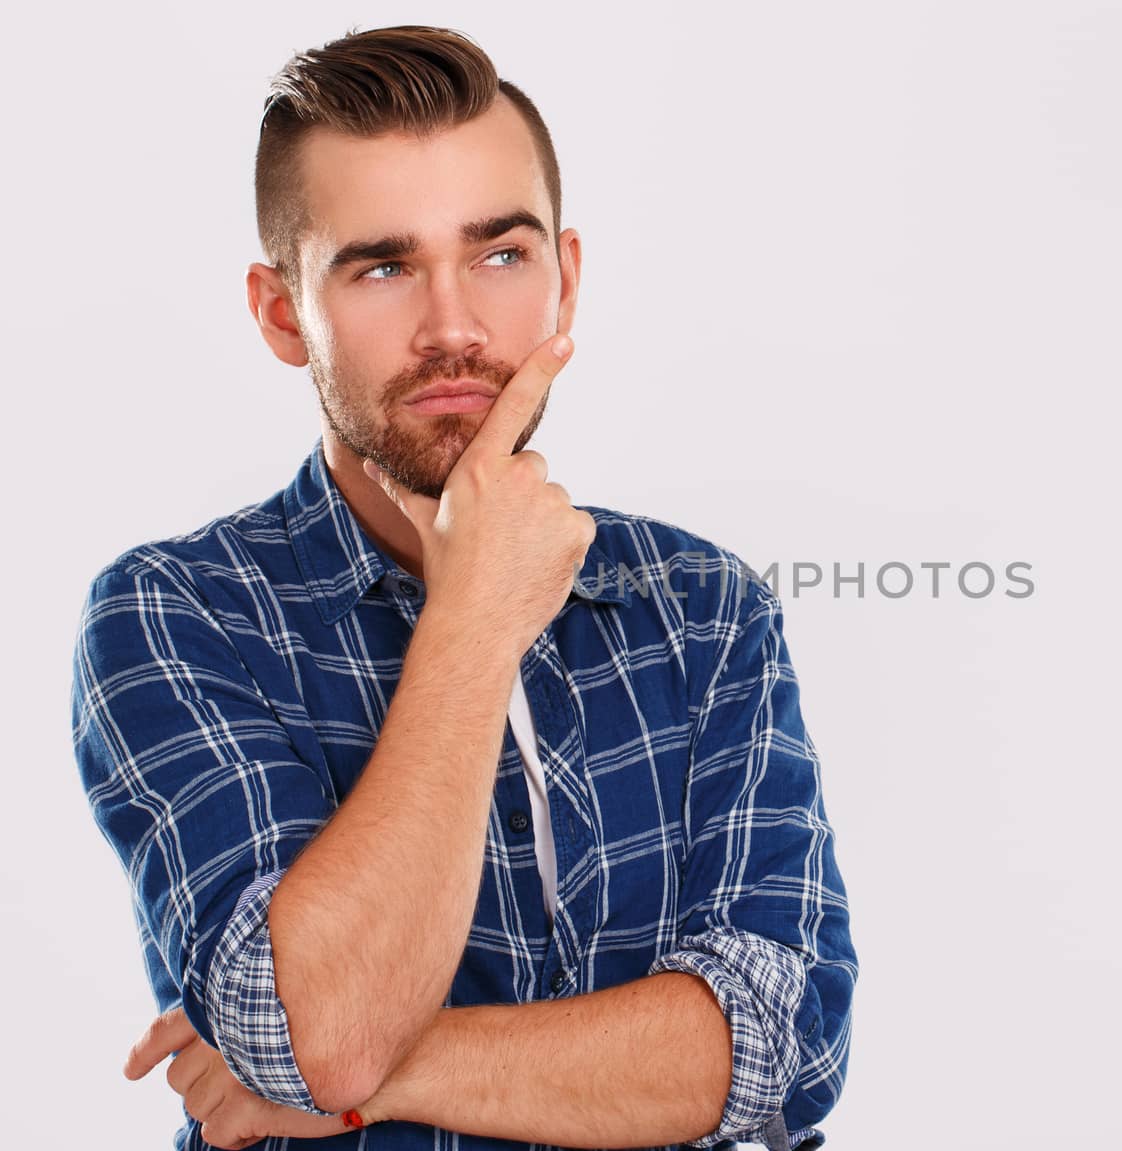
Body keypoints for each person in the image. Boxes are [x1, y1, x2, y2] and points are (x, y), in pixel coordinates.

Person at [69, 24, 856, 1151]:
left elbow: (782, 1048)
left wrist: (381, 1071)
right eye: (382, 265)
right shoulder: (177, 612)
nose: (454, 327)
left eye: (500, 255)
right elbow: (325, 1032)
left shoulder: (702, 604)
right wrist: (475, 619)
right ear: (283, 312)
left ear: (564, 277)